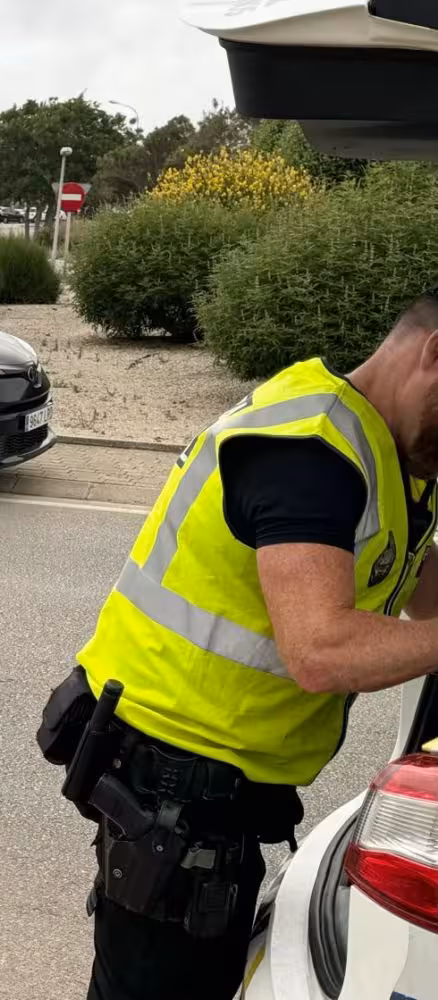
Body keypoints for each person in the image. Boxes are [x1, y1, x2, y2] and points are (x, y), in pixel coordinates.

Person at [38, 289, 438, 1000]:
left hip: (212, 791)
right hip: (173, 786)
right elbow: (322, 650)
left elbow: (414, 584)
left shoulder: (400, 457)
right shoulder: (310, 452)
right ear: (432, 355)